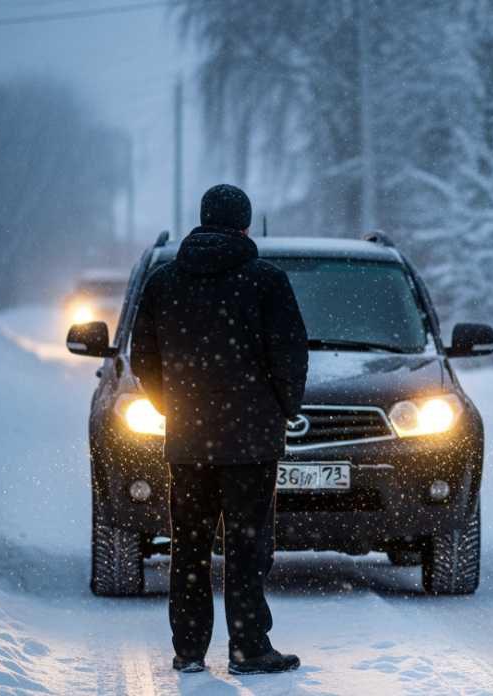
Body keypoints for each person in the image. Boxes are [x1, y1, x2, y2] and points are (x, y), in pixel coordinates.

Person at [131, 184, 309, 675]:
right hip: (252, 443)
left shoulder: (164, 281)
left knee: (189, 546)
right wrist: (282, 408)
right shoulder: (267, 280)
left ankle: (189, 651)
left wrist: (172, 405)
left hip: (189, 441)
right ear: (245, 226)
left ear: (204, 220)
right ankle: (249, 649)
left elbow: (142, 354)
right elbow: (290, 354)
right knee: (247, 547)